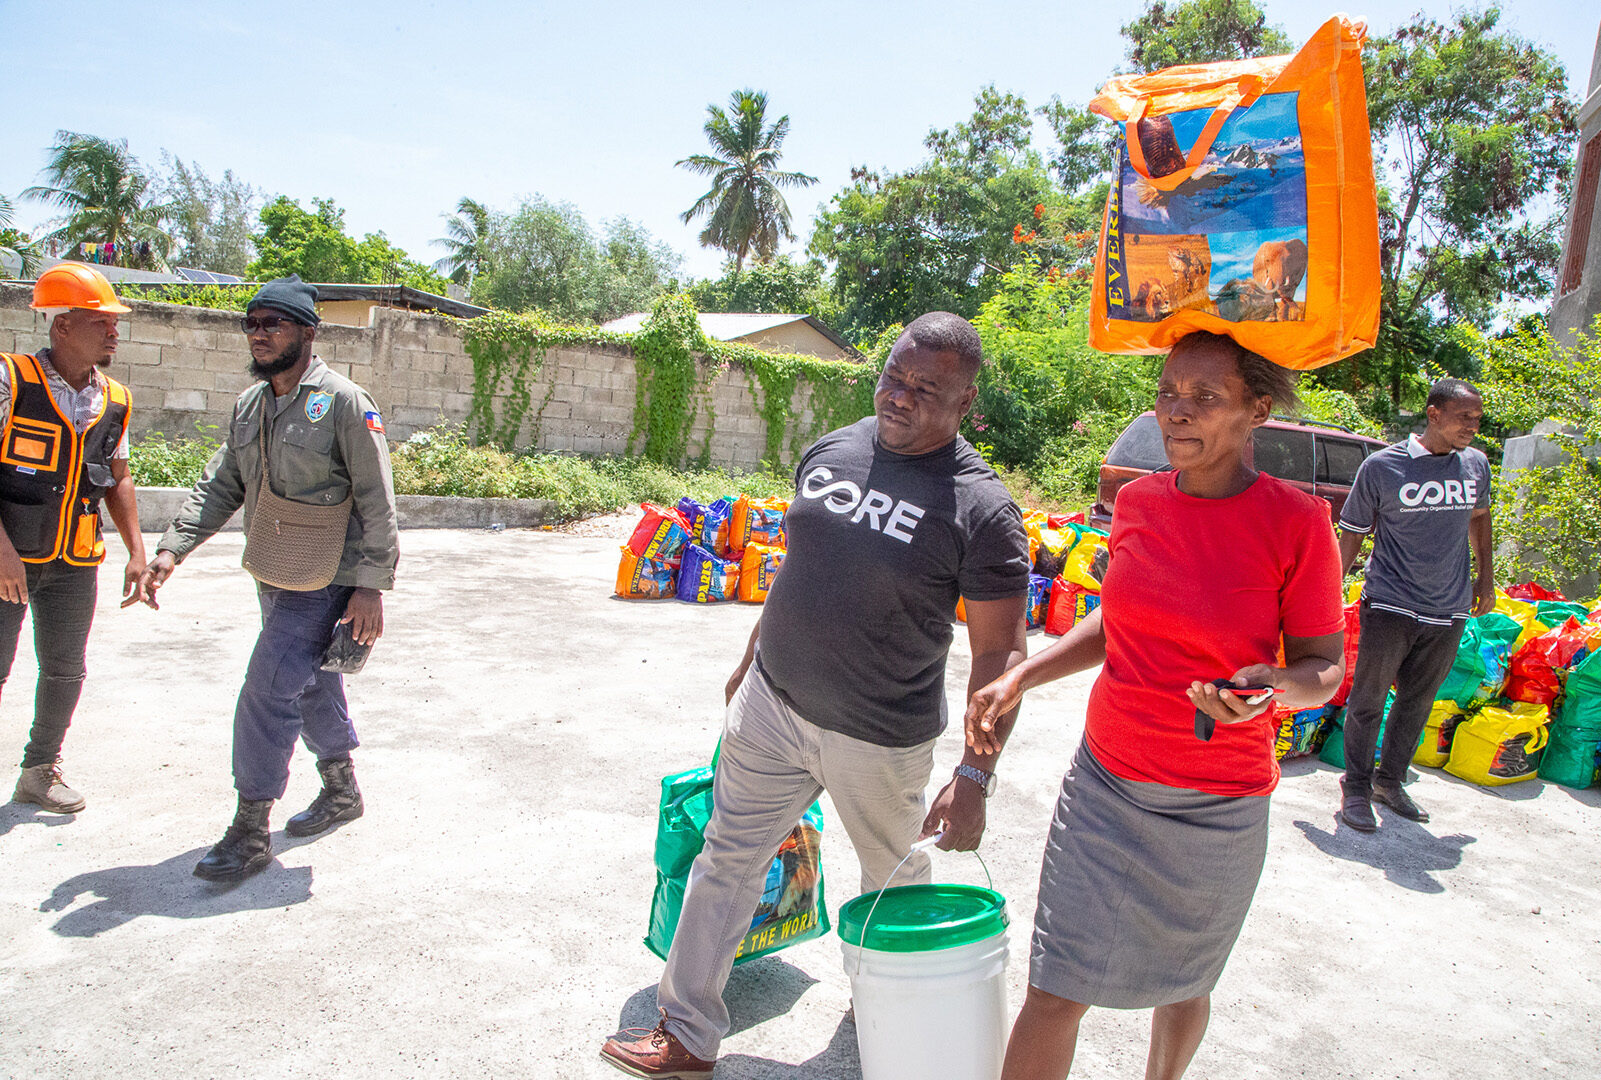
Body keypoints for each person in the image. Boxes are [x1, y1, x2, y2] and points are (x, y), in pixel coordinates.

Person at [601, 312, 1031, 1079]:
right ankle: (689, 1033)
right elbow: (798, 568)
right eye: (892, 375)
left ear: (964, 404)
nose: (898, 396)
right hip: (774, 704)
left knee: (890, 875)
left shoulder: (981, 509)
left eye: (923, 389)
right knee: (725, 857)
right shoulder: (833, 448)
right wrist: (749, 659)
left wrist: (973, 776)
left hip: (880, 738)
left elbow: (1000, 654)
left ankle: (891, 994)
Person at [964, 331, 1346, 1080]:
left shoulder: (1295, 523)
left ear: (1255, 410)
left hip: (1219, 803)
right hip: (1104, 782)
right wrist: (1023, 675)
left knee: (1186, 982)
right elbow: (1116, 621)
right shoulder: (1136, 503)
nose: (1176, 412)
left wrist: (1272, 688)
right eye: (1169, 391)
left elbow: (1323, 669)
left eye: (1205, 398)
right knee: (1055, 987)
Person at [137, 275, 399, 882]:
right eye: (252, 324)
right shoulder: (251, 406)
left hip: (327, 575)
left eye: (272, 324)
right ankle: (341, 790)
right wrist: (174, 549)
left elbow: (377, 499)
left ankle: (250, 829)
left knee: (266, 690)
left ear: (307, 332)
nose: (258, 335)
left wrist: (370, 587)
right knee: (307, 683)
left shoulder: (343, 401)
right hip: (276, 570)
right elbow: (222, 483)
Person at [4, 264, 151, 813]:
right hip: (8, 556)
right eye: (101, 322)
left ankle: (40, 771)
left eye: (115, 323)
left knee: (66, 668)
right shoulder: (11, 380)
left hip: (75, 558)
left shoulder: (115, 398)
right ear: (61, 326)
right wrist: (2, 555)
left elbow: (118, 475)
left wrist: (137, 549)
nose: (114, 332)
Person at [1335, 377, 1493, 831]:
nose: (1472, 427)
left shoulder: (1476, 465)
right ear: (1434, 413)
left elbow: (1480, 518)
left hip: (1448, 608)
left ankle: (1390, 782)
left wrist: (1485, 578)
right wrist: (1329, 593)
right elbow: (1353, 534)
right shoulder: (1383, 468)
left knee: (1417, 703)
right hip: (1390, 604)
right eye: (1464, 417)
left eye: (1477, 419)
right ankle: (1358, 789)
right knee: (1367, 701)